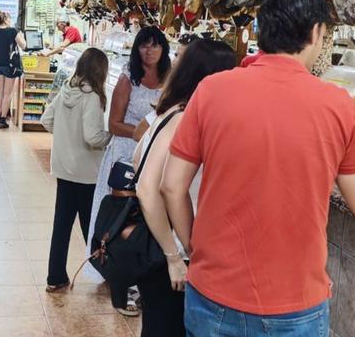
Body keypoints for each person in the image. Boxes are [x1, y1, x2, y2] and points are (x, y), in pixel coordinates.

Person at [161, 0, 355, 336]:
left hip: (212, 294)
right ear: (316, 33)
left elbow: (171, 186)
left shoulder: (212, 90)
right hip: (295, 305)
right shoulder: (338, 105)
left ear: (262, 29)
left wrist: (194, 248)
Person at [131, 39, 238, 337]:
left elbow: (138, 161)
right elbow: (147, 188)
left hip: (157, 244)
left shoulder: (167, 112)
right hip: (170, 249)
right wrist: (176, 256)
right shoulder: (183, 117)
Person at [86, 25, 171, 317]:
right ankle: (118, 273)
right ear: (136, 49)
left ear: (163, 49)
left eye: (155, 45)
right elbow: (114, 124)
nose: (149, 50)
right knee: (122, 216)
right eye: (144, 45)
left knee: (149, 216)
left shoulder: (170, 79)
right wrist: (145, 132)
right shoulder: (128, 79)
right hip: (125, 156)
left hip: (156, 156)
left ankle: (145, 274)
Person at [40, 48, 112, 293]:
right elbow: (92, 137)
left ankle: (55, 276)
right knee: (91, 226)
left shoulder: (66, 90)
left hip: (63, 169)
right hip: (86, 172)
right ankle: (105, 272)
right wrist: (111, 137)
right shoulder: (92, 97)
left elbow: (46, 121)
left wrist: (65, 137)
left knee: (61, 226)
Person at [0, 9, 27, 129]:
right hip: (9, 64)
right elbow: (24, 46)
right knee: (7, 93)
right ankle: (2, 120)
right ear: (6, 20)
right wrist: (21, 36)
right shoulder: (13, 31)